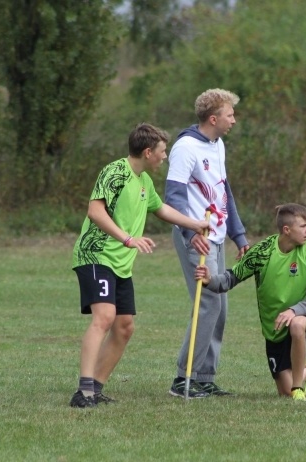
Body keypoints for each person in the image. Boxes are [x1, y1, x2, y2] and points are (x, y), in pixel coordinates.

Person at [70, 123, 210, 408]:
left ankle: (96, 388)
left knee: (124, 326)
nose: (165, 156)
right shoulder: (115, 172)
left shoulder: (144, 181)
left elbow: (161, 209)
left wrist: (194, 224)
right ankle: (82, 392)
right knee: (105, 318)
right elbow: (95, 211)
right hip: (96, 255)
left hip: (121, 263)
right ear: (148, 152)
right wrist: (128, 239)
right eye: (162, 151)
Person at [195, 203, 306, 401]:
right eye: (303, 226)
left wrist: (295, 310)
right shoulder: (263, 252)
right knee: (283, 392)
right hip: (273, 326)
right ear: (287, 230)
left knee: (296, 325)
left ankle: (298, 389)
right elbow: (232, 277)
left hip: (303, 312)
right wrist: (210, 280)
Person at [165, 88, 249, 398]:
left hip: (216, 238)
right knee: (208, 304)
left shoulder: (218, 144)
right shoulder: (185, 148)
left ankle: (203, 377)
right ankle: (183, 380)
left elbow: (223, 192)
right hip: (196, 239)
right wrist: (190, 235)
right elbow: (173, 198)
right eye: (230, 115)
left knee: (220, 307)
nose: (234, 120)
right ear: (213, 118)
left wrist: (238, 235)